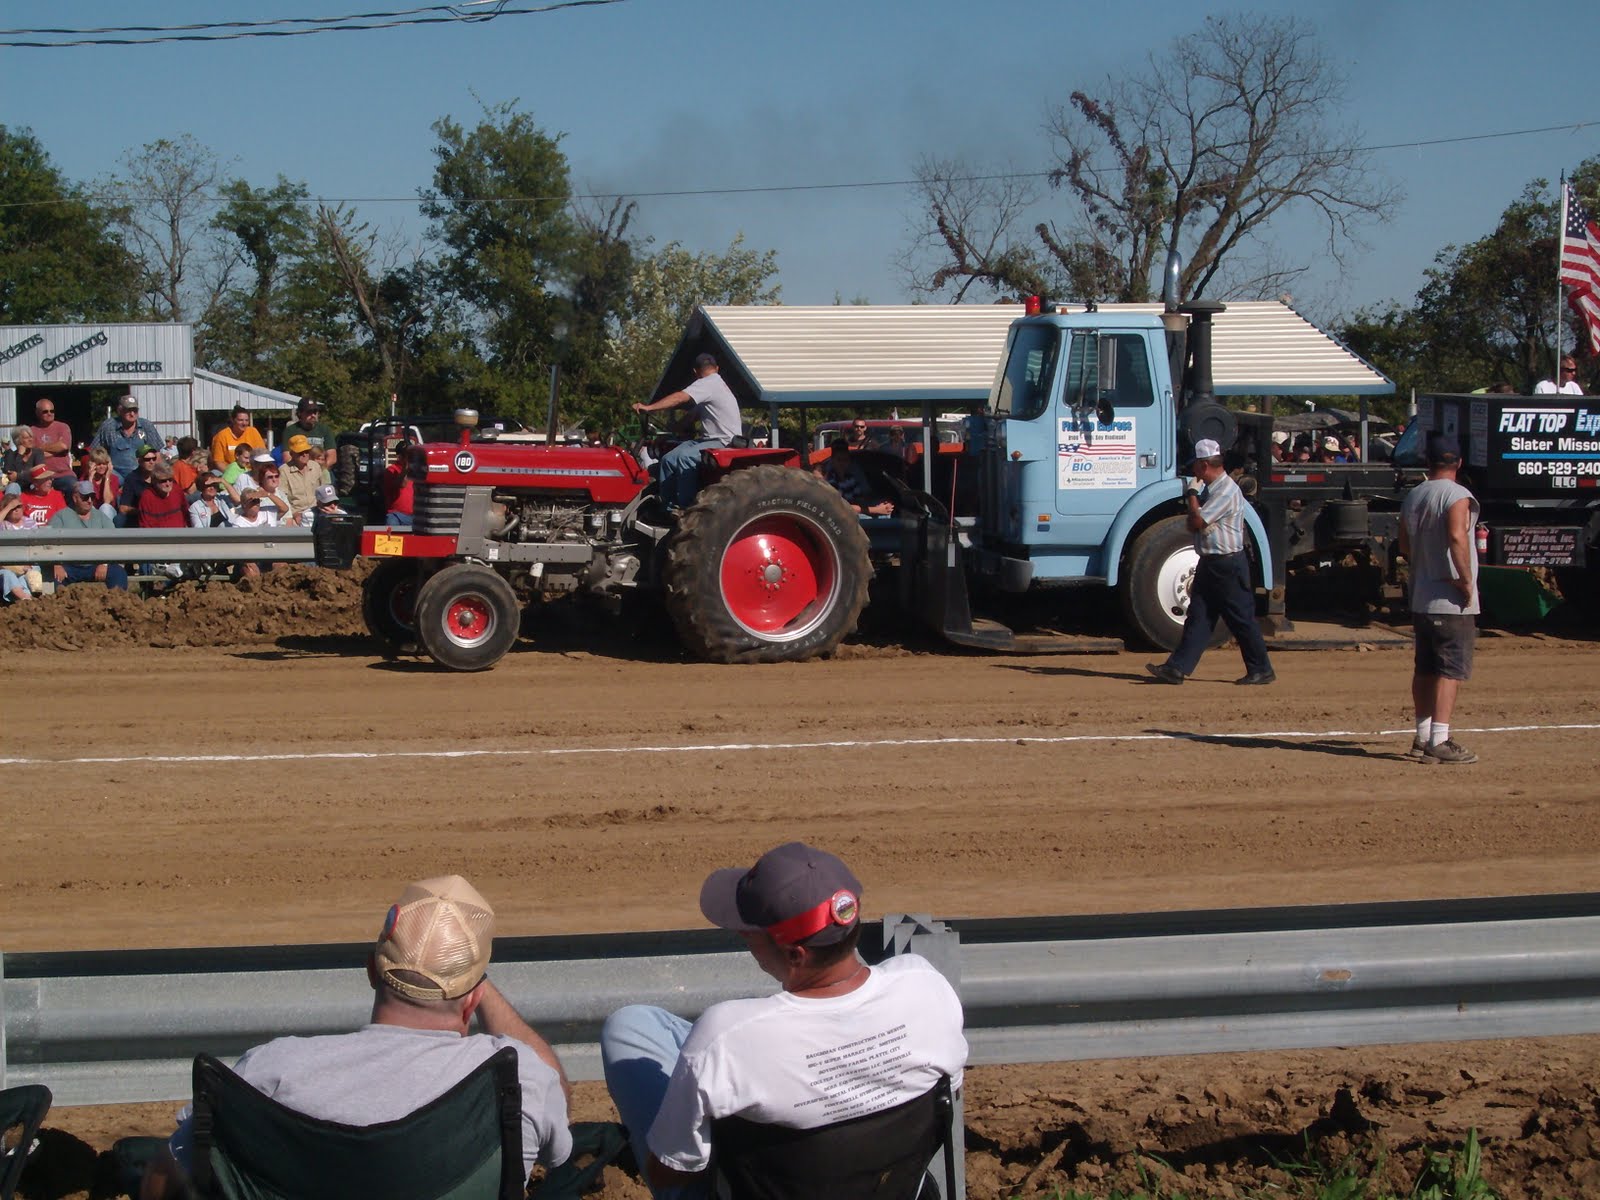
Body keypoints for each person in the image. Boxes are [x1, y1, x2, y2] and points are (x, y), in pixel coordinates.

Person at [139, 875, 573, 1200]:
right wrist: (474, 981)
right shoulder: (513, 1080)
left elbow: (163, 1179)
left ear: (370, 970)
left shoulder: (272, 1070)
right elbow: (557, 1099)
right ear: (473, 999)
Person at [600, 842, 967, 1199]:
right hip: (895, 1186)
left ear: (795, 954)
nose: (743, 938)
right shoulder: (925, 986)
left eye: (749, 933)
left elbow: (671, 1173)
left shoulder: (727, 1036)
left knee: (631, 1027)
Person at [1147, 438, 1275, 686]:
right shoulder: (1216, 489)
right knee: (1199, 617)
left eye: (1195, 465)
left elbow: (1195, 523)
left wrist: (1192, 494)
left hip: (1226, 564)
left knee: (1241, 618)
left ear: (1204, 465)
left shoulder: (1225, 491)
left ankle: (1262, 669)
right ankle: (1177, 668)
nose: (1193, 471)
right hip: (1212, 563)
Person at [1399, 433, 1480, 765]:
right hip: (1449, 599)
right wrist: (1465, 579)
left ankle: (1422, 737)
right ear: (1459, 463)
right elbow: (1457, 535)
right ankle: (1440, 739)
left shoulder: (1414, 495)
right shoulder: (1458, 495)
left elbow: (1403, 544)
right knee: (1450, 670)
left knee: (1426, 668)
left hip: (1421, 595)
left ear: (1428, 463)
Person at [631, 352, 742, 510]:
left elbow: (679, 397)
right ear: (717, 368)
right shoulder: (715, 387)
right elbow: (691, 417)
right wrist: (670, 431)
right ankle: (667, 507)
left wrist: (649, 408)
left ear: (695, 372)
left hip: (724, 442)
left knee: (685, 458)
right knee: (668, 459)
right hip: (708, 440)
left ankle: (686, 509)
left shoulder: (709, 383)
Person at [45, 481, 130, 591]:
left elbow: (112, 541)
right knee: (53, 577)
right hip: (69, 566)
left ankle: (117, 604)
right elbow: (49, 542)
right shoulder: (60, 516)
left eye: (92, 497)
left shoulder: (101, 517)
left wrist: (104, 563)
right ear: (75, 498)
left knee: (118, 573)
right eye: (85, 497)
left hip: (95, 565)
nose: (89, 501)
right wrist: (56, 565)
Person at [91, 396, 166, 479]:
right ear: (120, 410)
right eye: (128, 410)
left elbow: (157, 455)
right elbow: (94, 452)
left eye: (135, 410)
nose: (132, 413)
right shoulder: (108, 426)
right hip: (115, 476)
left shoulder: (147, 426)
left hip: (142, 475)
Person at [817, 438, 894, 516]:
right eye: (839, 460)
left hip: (856, 511)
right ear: (832, 461)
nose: (842, 463)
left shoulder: (849, 477)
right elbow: (842, 506)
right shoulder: (831, 480)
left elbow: (858, 499)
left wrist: (881, 505)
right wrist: (875, 510)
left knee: (887, 510)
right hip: (843, 517)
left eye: (845, 460)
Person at [279, 434, 331, 525]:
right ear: (292, 454)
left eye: (307, 451)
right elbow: (282, 497)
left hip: (317, 510)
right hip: (296, 513)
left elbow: (324, 490)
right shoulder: (284, 470)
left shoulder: (315, 466)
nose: (304, 454)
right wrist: (294, 513)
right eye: (300, 452)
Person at [28, 397, 75, 487]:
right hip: (41, 476)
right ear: (37, 413)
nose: (49, 414)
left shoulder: (63, 427)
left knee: (73, 486)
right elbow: (32, 453)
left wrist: (41, 448)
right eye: (45, 411)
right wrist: (56, 451)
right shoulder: (31, 431)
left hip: (63, 475)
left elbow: (63, 446)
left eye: (52, 411)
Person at [281, 398, 338, 468]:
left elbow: (332, 457)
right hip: (299, 470)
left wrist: (320, 469)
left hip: (322, 470)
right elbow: (287, 457)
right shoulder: (290, 431)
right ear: (300, 413)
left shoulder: (325, 430)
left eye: (315, 412)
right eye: (309, 412)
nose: (313, 415)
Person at [209, 405, 266, 470]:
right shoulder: (222, 436)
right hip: (229, 472)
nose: (244, 423)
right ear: (233, 420)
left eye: (246, 420)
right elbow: (218, 461)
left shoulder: (253, 432)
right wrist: (234, 474)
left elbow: (262, 454)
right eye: (240, 420)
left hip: (252, 472)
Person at [117, 447, 163, 526]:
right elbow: (123, 508)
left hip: (162, 514)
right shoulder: (131, 479)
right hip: (139, 518)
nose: (151, 462)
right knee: (119, 520)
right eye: (147, 459)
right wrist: (143, 511)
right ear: (139, 461)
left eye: (154, 458)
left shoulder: (161, 476)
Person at [79, 446, 122, 519]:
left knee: (105, 507)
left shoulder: (114, 478)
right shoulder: (84, 479)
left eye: (104, 463)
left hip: (109, 512)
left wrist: (107, 478)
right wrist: (90, 478)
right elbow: (86, 501)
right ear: (92, 464)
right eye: (98, 464)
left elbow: (107, 501)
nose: (102, 466)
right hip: (92, 512)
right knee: (90, 508)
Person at [381, 440, 414, 526]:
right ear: (399, 456)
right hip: (396, 515)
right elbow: (401, 484)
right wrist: (405, 469)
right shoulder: (391, 471)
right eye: (407, 455)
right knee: (391, 523)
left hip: (415, 516)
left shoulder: (416, 472)